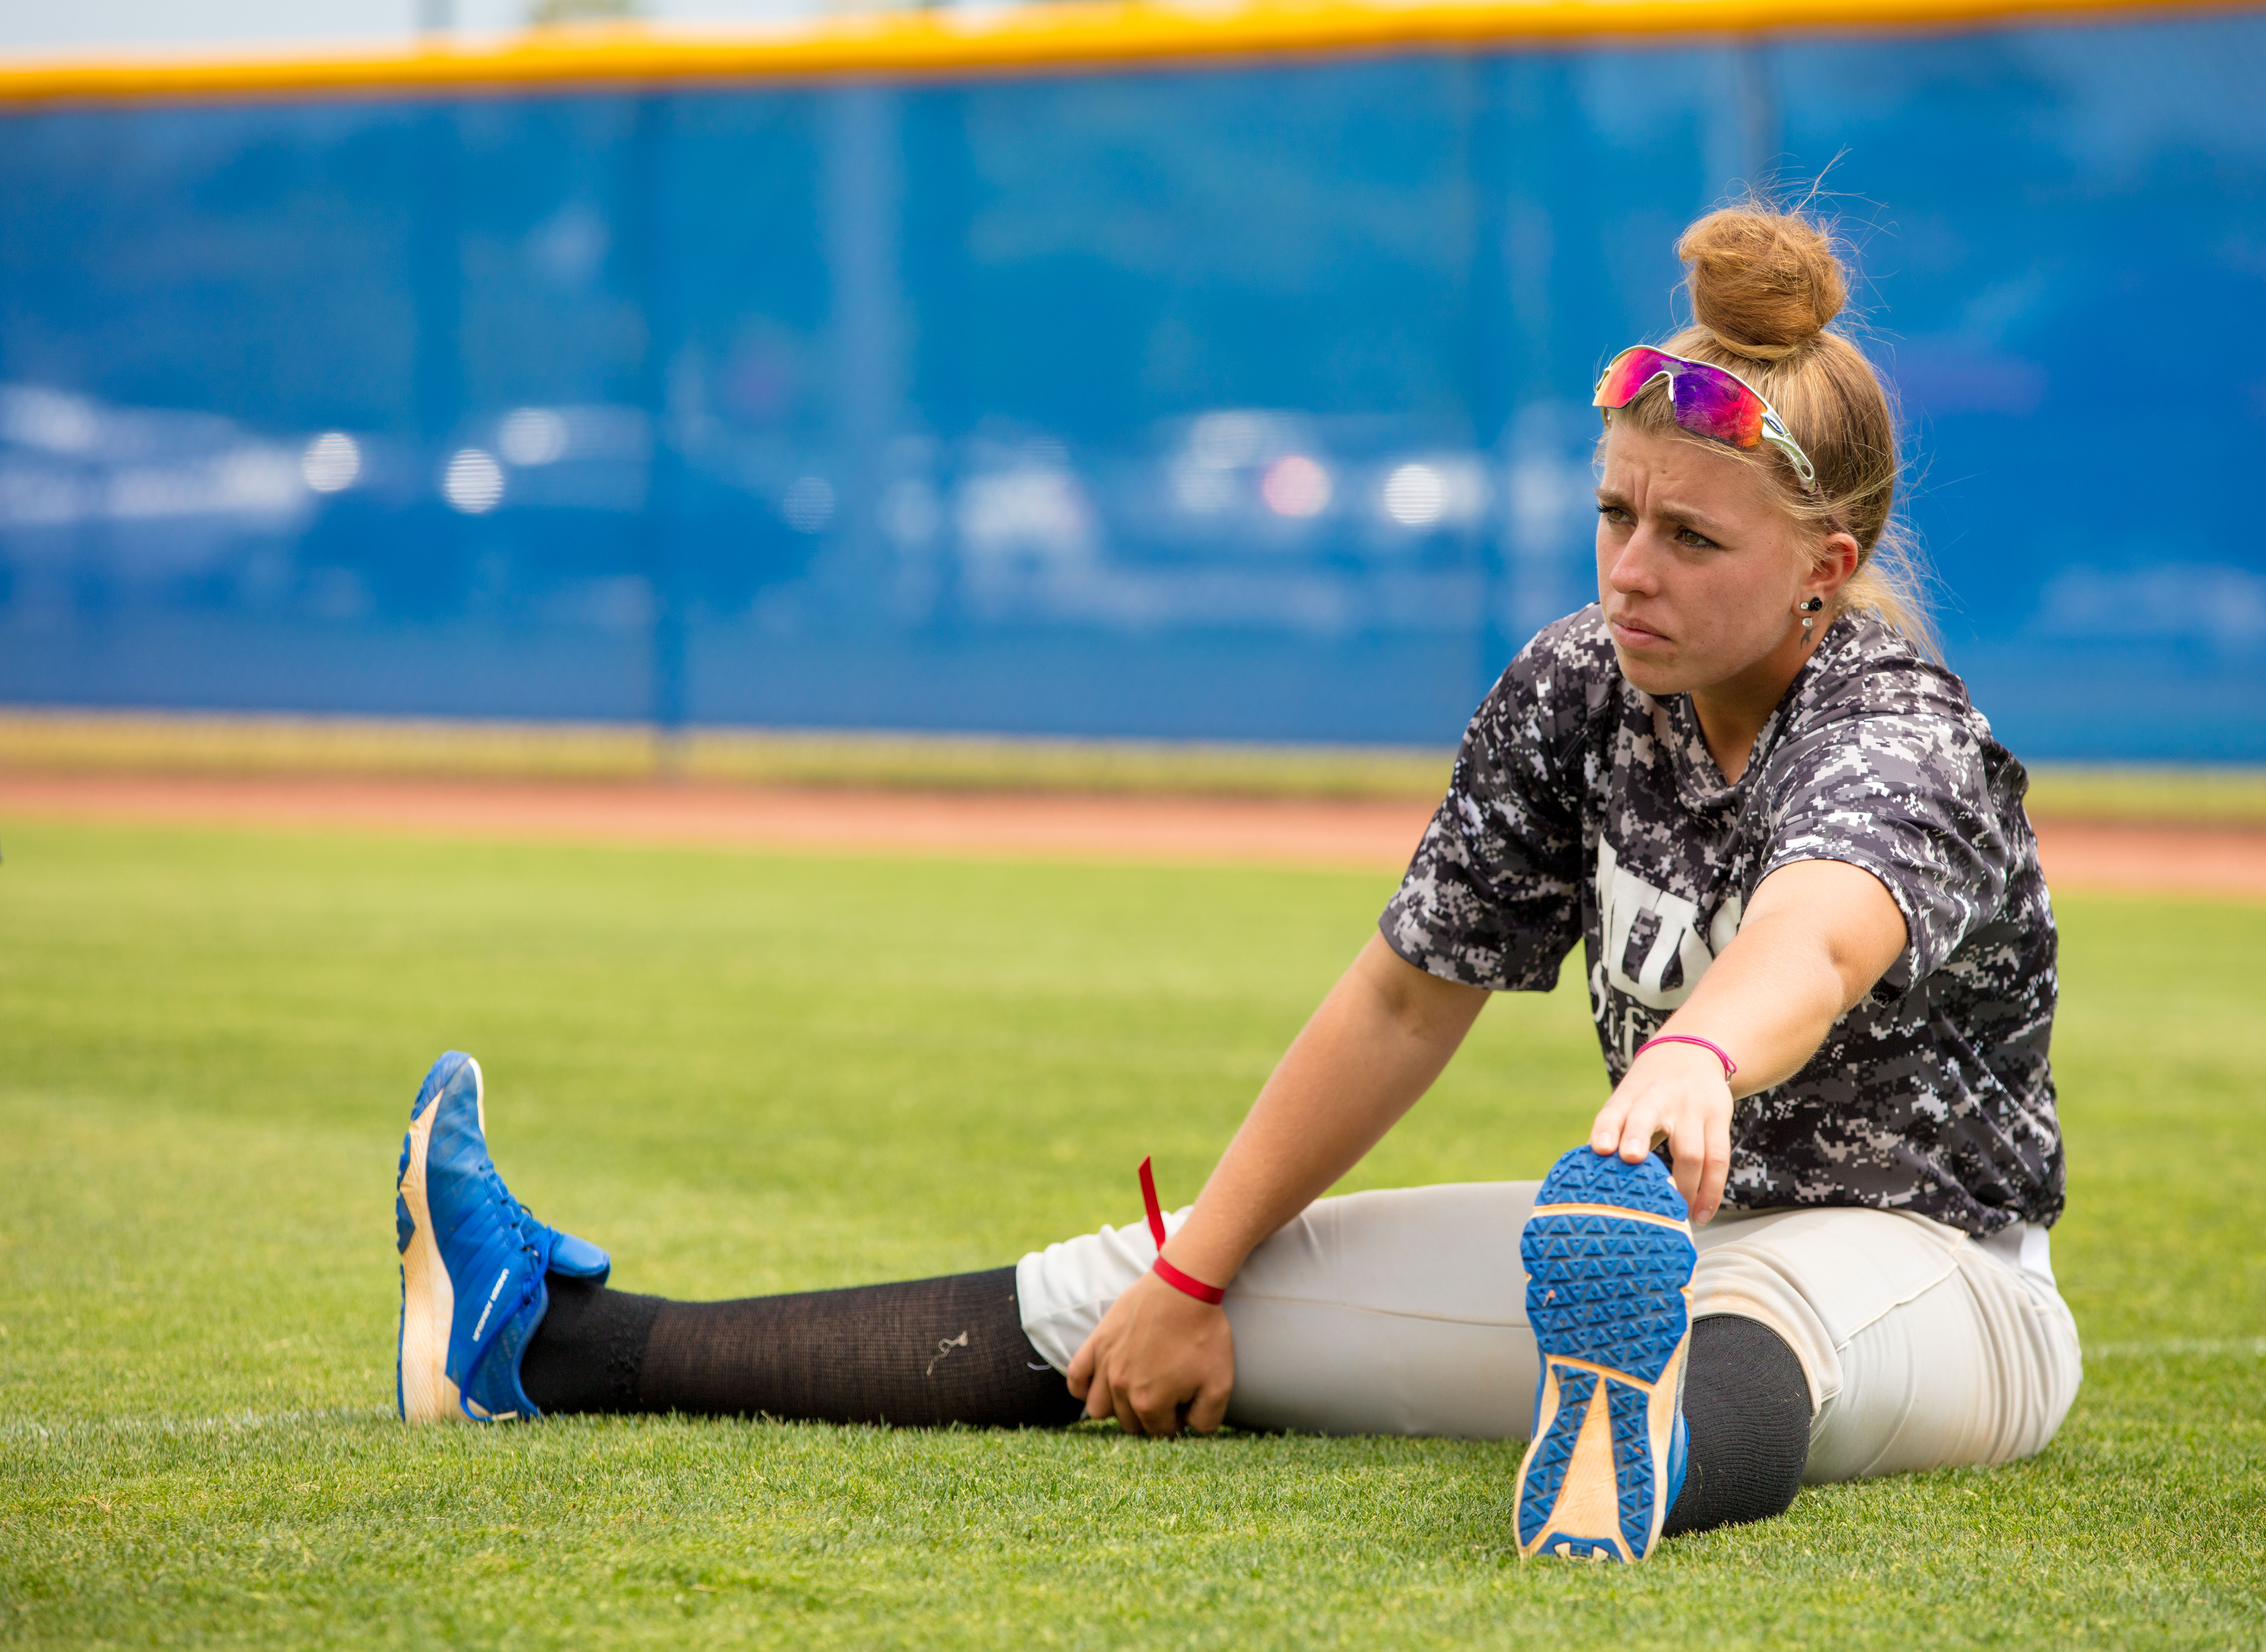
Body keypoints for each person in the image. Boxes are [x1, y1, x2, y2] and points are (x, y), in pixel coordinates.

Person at [392, 201, 2078, 1563]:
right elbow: (1405, 999)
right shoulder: (1581, 680)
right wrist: (1195, 1276)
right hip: (1627, 1244)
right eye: (1613, 513)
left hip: (1938, 1283)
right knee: (1139, 1281)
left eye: (1690, 539)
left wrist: (1699, 1053)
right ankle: (544, 1344)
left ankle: (1633, 1448)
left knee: (1766, 1304)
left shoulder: (1893, 724)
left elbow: (1820, 927)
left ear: (1824, 571)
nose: (1629, 567)